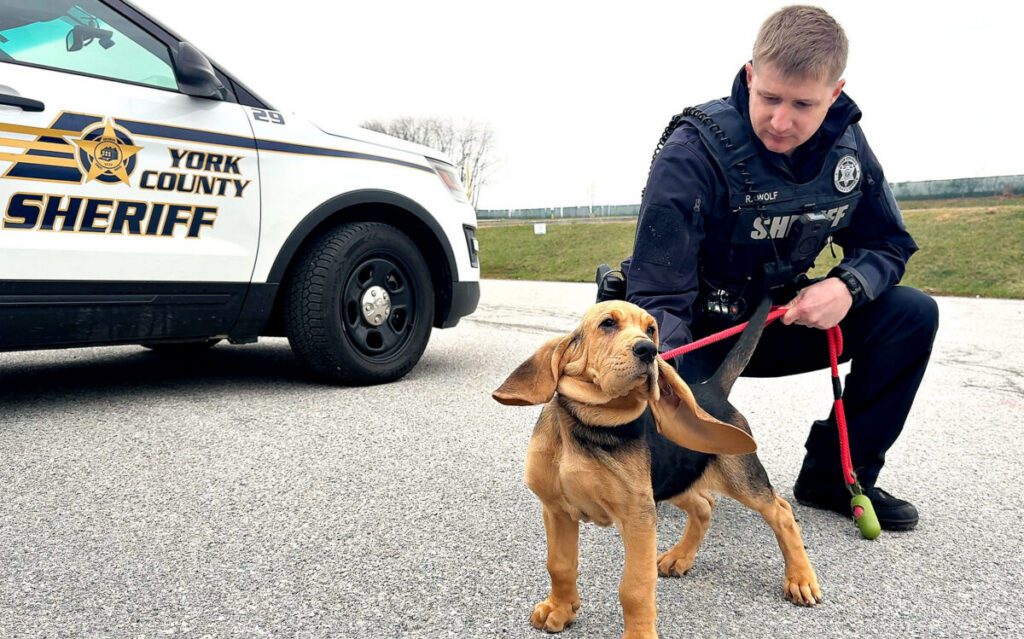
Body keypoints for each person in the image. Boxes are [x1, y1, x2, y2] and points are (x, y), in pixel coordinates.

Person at [620, 5, 939, 531]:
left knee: (912, 314)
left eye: (802, 104)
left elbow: (888, 244)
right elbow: (656, 296)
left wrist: (847, 287)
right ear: (750, 76)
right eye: (768, 97)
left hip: (775, 319)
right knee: (664, 477)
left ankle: (838, 477)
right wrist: (679, 397)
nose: (780, 120)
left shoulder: (849, 150)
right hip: (690, 330)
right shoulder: (691, 153)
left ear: (834, 93)